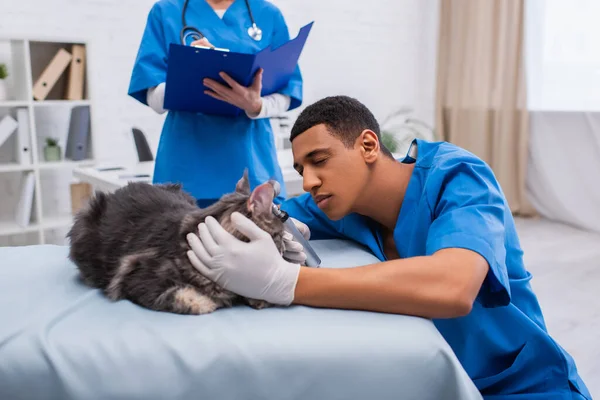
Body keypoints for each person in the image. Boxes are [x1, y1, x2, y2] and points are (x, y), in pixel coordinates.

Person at [184, 95, 591, 399]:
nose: (308, 181)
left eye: (319, 160)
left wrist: (286, 281)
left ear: (368, 146)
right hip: (434, 382)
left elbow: (453, 287)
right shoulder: (335, 207)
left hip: (522, 386)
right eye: (300, 169)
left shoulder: (459, 177)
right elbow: (262, 213)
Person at [127, 0, 303, 207]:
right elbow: (153, 98)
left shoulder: (267, 14)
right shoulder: (166, 11)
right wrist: (191, 68)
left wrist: (256, 105)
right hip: (185, 166)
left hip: (251, 163)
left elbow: (287, 92)